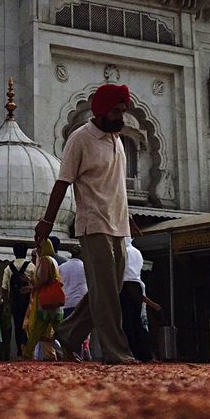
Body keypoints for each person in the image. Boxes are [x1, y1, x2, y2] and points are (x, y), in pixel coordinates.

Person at [35, 83, 137, 365]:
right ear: (102, 111)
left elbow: (115, 187)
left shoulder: (115, 138)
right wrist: (47, 221)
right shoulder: (80, 139)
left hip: (118, 225)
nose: (121, 116)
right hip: (93, 225)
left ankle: (67, 335)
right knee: (106, 295)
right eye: (116, 111)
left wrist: (128, 218)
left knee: (108, 291)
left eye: (123, 110)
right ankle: (117, 351)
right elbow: (62, 182)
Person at [120, 240, 159, 363]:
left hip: (125, 285)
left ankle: (133, 352)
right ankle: (145, 354)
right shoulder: (137, 252)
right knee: (138, 321)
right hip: (137, 285)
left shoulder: (123, 251)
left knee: (128, 322)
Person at [23, 245, 64, 361]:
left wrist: (33, 285)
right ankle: (27, 352)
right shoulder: (53, 260)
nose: (38, 251)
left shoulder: (45, 259)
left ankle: (69, 351)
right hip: (51, 299)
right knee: (42, 329)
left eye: (40, 248)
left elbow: (44, 279)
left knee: (43, 329)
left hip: (46, 300)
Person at [57, 246, 91, 360]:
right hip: (81, 301)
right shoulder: (86, 267)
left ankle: (69, 354)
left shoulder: (62, 267)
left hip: (66, 301)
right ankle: (79, 355)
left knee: (69, 329)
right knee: (80, 331)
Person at [2, 243, 35, 358]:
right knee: (28, 325)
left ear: (14, 252)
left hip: (15, 302)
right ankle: (27, 347)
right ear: (26, 252)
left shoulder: (8, 268)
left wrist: (6, 303)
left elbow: (4, 288)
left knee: (17, 325)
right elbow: (37, 283)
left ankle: (20, 349)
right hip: (29, 302)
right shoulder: (31, 266)